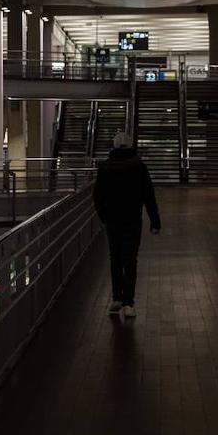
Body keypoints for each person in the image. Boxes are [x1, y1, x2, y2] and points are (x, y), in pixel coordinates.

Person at [93, 130, 161, 318]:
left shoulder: (105, 168)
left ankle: (117, 297)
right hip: (132, 220)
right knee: (130, 260)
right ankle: (129, 303)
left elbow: (97, 197)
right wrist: (155, 221)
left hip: (113, 221)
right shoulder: (139, 167)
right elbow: (148, 195)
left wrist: (104, 216)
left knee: (115, 258)